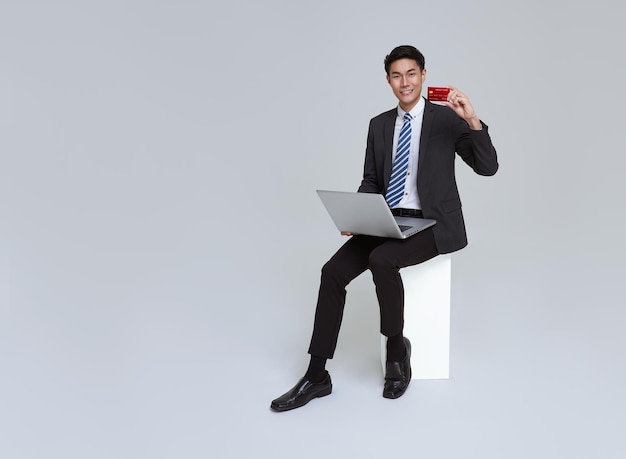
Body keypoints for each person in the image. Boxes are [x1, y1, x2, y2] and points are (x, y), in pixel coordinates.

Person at [270, 45, 498, 412]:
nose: (404, 82)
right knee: (332, 272)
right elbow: (371, 180)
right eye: (396, 75)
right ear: (388, 80)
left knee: (382, 260)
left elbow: (488, 168)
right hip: (387, 217)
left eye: (411, 74)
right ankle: (316, 375)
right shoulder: (379, 125)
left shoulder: (447, 120)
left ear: (423, 76)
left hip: (433, 223)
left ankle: (396, 348)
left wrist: (472, 119)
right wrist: (361, 215)